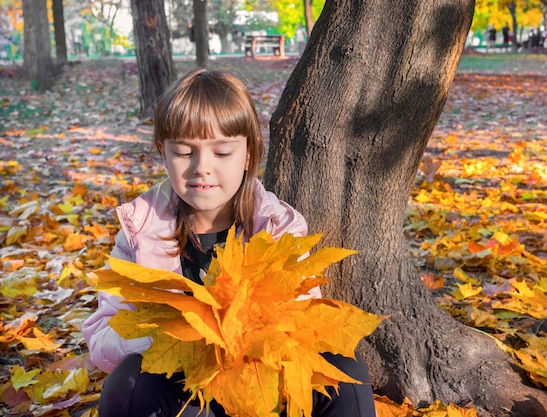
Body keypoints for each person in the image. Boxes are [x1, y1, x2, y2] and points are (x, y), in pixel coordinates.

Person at [82, 69, 377, 417]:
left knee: (346, 370)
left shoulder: (276, 226)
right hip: (184, 388)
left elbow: (300, 321)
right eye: (183, 152)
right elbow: (103, 333)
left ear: (248, 155)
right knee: (126, 385)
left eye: (222, 153)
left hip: (262, 378)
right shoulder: (140, 228)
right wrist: (164, 338)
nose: (201, 167)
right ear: (163, 152)